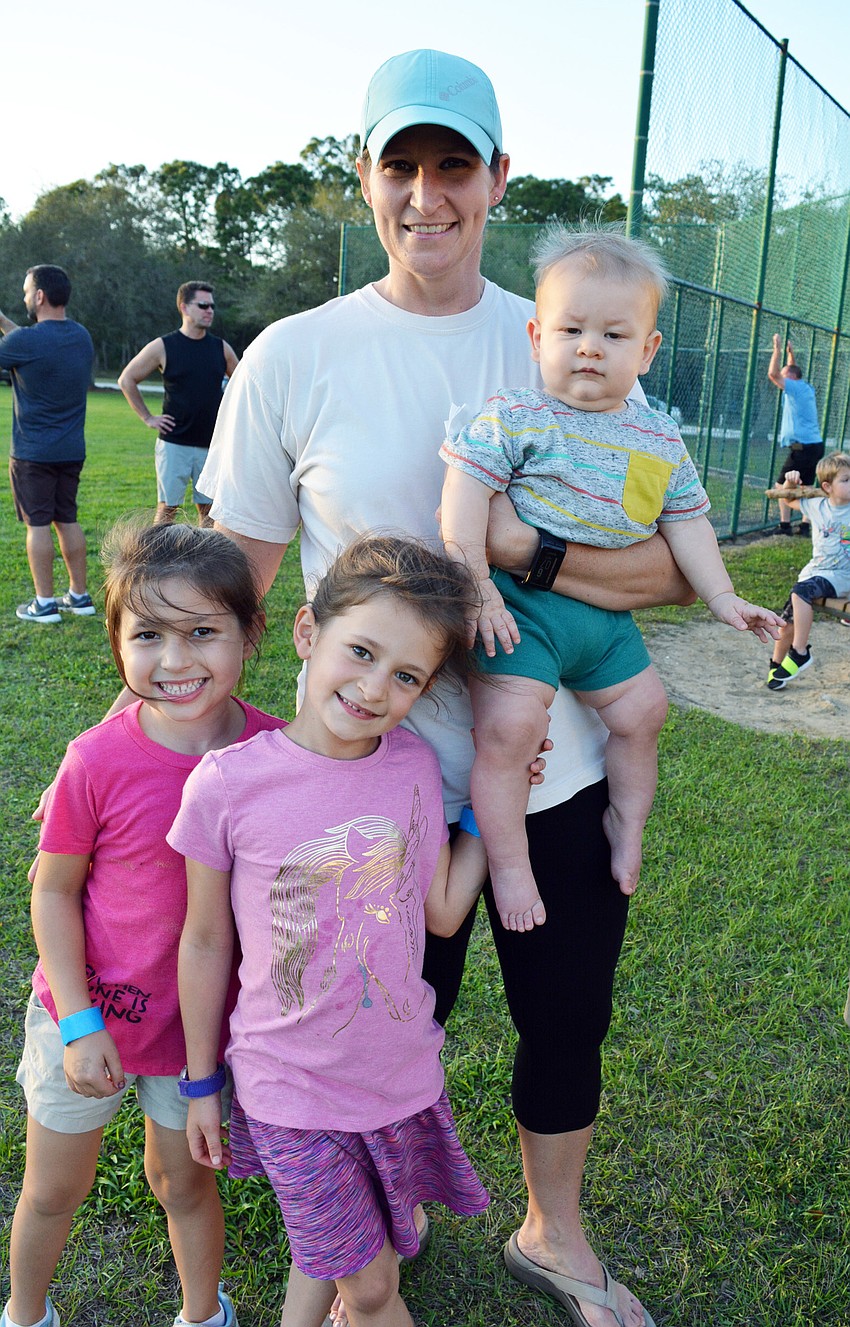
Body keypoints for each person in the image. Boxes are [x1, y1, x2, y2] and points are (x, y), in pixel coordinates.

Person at [198, 47, 699, 1327]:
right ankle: (373, 1220)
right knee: (370, 1024)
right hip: (373, 792)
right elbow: (241, 588)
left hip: (555, 766)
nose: (428, 193)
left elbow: (662, 576)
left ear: (496, 180)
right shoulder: (295, 356)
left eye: (454, 166)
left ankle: (554, 1232)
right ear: (361, 178)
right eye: (401, 165)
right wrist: (154, 749)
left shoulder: (562, 334)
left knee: (565, 1016)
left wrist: (521, 548)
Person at [172, 536, 492, 1327]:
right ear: (308, 633)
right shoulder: (226, 784)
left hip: (397, 1075)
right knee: (372, 1285)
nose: (376, 687)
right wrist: (200, 1080)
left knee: (338, 1256)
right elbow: (207, 941)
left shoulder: (413, 765)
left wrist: (494, 793)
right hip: (290, 1087)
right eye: (361, 650)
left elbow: (444, 909)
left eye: (407, 675)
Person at [439, 228, 782, 929]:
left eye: (614, 334)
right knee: (509, 728)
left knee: (644, 713)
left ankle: (628, 822)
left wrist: (722, 596)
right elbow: (464, 493)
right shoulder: (516, 414)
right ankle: (507, 866)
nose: (589, 346)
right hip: (520, 613)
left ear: (648, 350)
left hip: (602, 621)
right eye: (571, 329)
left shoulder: (659, 437)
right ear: (537, 336)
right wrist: (475, 581)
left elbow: (687, 523)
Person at [2, 522, 282, 1327]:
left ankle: (204, 1314)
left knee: (183, 1183)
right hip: (84, 1015)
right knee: (53, 1189)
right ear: (118, 643)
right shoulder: (95, 758)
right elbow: (53, 892)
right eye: (149, 634)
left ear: (248, 634)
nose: (177, 660)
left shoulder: (277, 754)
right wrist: (81, 1019)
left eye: (203, 632)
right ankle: (25, 1313)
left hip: (198, 1032)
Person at [0, 264, 95, 624]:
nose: (25, 297)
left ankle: (44, 603)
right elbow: (27, 342)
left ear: (39, 296)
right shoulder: (81, 335)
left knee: (37, 525)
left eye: (27, 291)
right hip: (71, 451)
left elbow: (20, 345)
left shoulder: (26, 342)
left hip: (32, 454)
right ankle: (79, 596)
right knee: (66, 519)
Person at [117, 283, 238, 526]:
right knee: (167, 510)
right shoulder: (164, 346)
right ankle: (155, 562)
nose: (209, 311)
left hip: (211, 444)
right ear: (184, 307)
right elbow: (126, 379)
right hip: (174, 444)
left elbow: (243, 384)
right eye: (203, 305)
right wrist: (148, 418)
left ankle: (208, 562)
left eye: (212, 306)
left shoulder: (220, 348)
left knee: (209, 512)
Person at [767, 451, 850, 690]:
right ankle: (776, 667)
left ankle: (800, 651)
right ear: (827, 486)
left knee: (801, 592)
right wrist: (789, 483)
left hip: (841, 577)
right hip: (815, 574)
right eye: (845, 480)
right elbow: (787, 498)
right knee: (786, 623)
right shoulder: (816, 505)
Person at [767, 334, 823, 537]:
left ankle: (784, 526)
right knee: (806, 486)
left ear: (791, 378)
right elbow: (791, 370)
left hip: (803, 447)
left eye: (785, 376)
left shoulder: (795, 388)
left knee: (781, 486)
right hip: (813, 445)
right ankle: (806, 526)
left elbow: (773, 375)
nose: (781, 383)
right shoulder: (804, 387)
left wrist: (778, 350)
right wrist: (791, 355)